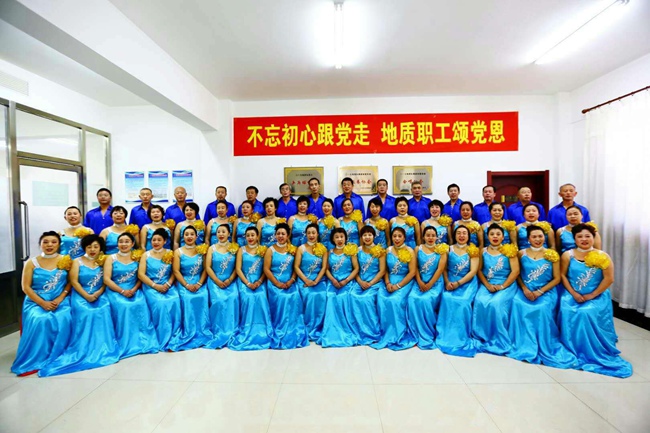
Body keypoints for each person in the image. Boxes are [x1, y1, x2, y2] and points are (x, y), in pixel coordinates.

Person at [39, 235, 120, 376]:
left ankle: (103, 346)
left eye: (95, 246)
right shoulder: (77, 261)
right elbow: (74, 282)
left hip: (100, 294)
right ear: (84, 248)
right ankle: (82, 347)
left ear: (100, 248)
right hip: (80, 295)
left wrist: (98, 293)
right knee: (86, 312)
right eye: (89, 247)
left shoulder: (105, 260)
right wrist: (86, 295)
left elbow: (106, 280)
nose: (92, 249)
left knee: (103, 309)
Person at [558, 224, 632, 378]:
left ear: (593, 238)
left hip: (596, 295)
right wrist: (573, 293)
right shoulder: (567, 255)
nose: (584, 239)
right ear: (574, 239)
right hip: (572, 294)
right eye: (580, 236)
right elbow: (563, 275)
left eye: (587, 236)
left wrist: (592, 295)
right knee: (566, 309)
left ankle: (590, 348)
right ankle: (571, 346)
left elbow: (609, 279)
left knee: (586, 312)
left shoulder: (602, 256)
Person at [507, 226, 577, 368]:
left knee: (542, 308)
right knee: (517, 303)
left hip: (546, 291)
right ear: (528, 239)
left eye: (540, 236)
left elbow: (557, 278)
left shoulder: (552, 254)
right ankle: (521, 341)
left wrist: (540, 291)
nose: (538, 239)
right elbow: (518, 275)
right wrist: (525, 289)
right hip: (526, 290)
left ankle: (543, 341)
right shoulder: (521, 253)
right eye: (534, 236)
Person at [11, 232, 72, 376]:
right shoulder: (31, 263)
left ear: (59, 244)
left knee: (65, 317)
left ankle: (59, 354)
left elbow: (70, 282)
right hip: (35, 301)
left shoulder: (66, 260)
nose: (49, 245)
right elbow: (26, 287)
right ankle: (38, 356)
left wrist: (60, 298)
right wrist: (42, 303)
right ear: (40, 244)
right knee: (41, 319)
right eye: (45, 242)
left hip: (60, 300)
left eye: (53, 242)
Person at [103, 233, 158, 359]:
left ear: (132, 243)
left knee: (140, 304)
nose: (124, 244)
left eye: (127, 241)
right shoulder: (111, 258)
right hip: (116, 291)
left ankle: (142, 340)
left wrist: (133, 289)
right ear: (117, 243)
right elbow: (106, 279)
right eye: (121, 241)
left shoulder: (137, 257)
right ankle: (125, 342)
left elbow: (141, 276)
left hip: (134, 290)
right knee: (124, 306)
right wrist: (122, 291)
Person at [471, 224, 520, 355]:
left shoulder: (509, 250)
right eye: (492, 234)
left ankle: (498, 336)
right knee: (479, 301)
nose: (495, 237)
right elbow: (479, 270)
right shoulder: (483, 251)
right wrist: (487, 285)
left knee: (496, 304)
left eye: (498, 234)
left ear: (503, 237)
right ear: (487, 236)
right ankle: (482, 335)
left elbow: (515, 271)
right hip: (488, 284)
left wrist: (502, 286)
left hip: (506, 284)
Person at [436, 226, 479, 357]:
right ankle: (446, 333)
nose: (461, 235)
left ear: (468, 236)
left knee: (463, 301)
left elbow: (473, 271)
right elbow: (443, 268)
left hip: (467, 282)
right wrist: (447, 281)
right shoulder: (448, 249)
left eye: (464, 233)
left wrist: (459, 283)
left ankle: (462, 334)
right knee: (447, 298)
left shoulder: (473, 250)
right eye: (459, 233)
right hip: (450, 280)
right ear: (454, 235)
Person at [263, 223, 308, 349]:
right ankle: (279, 326)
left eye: (283, 234)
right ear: (275, 235)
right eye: (278, 234)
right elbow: (266, 269)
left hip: (290, 282)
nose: (280, 236)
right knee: (281, 298)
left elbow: (295, 268)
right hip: (274, 282)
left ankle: (293, 328)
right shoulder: (270, 250)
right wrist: (277, 283)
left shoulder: (293, 249)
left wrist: (292, 280)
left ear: (288, 235)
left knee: (294, 296)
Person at [371, 227, 417, 350]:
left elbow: (412, 272)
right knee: (381, 298)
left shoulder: (410, 251)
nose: (396, 239)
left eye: (399, 236)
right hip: (389, 281)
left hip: (404, 281)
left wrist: (398, 286)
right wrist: (387, 283)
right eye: (394, 236)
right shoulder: (388, 250)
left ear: (404, 238)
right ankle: (384, 331)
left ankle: (397, 331)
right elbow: (385, 269)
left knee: (395, 300)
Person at [229, 227, 274, 350]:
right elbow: (238, 269)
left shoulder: (263, 250)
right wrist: (248, 283)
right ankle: (247, 327)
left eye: (252, 235)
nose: (250, 237)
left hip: (259, 281)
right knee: (248, 297)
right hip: (244, 281)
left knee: (261, 297)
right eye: (248, 235)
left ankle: (263, 329)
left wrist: (259, 281)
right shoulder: (241, 250)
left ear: (257, 236)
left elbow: (266, 269)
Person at [138, 228, 182, 352]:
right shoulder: (146, 255)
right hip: (151, 286)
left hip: (168, 285)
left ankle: (174, 335)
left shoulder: (170, 253)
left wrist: (168, 283)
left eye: (159, 240)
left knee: (175, 300)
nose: (156, 242)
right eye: (154, 240)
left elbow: (175, 271)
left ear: (165, 241)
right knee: (160, 304)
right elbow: (141, 274)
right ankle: (162, 336)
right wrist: (155, 286)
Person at [172, 226, 213, 350]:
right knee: (187, 298)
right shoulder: (178, 252)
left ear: (196, 236)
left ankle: (203, 329)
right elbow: (176, 271)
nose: (189, 237)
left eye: (192, 234)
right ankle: (189, 330)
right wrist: (186, 285)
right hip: (184, 282)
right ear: (183, 237)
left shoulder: (202, 250)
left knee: (203, 295)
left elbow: (206, 269)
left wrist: (199, 283)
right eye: (186, 234)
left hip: (199, 281)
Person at [407, 226, 448, 350]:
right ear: (423, 237)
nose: (430, 238)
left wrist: (430, 284)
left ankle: (427, 331)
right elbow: (415, 267)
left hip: (435, 283)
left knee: (425, 301)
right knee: (412, 299)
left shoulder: (441, 250)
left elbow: (440, 269)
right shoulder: (417, 249)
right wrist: (420, 281)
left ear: (437, 237)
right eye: (428, 235)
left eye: (433, 235)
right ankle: (414, 332)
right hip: (419, 281)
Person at [319, 228, 360, 347]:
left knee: (344, 297)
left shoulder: (350, 251)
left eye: (342, 237)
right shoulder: (329, 252)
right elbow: (326, 269)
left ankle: (345, 327)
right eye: (337, 237)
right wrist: (332, 279)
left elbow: (356, 268)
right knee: (330, 297)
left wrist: (346, 280)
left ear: (345, 238)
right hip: (333, 282)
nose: (340, 239)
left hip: (347, 282)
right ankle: (332, 330)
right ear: (333, 239)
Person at [205, 224, 240, 348]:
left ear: (229, 234)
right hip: (215, 281)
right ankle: (218, 329)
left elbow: (237, 267)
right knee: (218, 300)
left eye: (223, 231)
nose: (221, 234)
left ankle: (232, 329)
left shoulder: (234, 248)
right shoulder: (212, 248)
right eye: (218, 232)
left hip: (231, 281)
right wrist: (217, 281)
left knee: (233, 297)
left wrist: (230, 280)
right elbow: (208, 267)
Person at [294, 223, 328, 341]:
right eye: (309, 233)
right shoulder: (301, 248)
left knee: (322, 295)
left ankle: (319, 326)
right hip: (304, 279)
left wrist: (316, 281)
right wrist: (307, 280)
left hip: (319, 280)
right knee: (308, 295)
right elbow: (296, 267)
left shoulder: (323, 248)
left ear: (317, 234)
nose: (311, 235)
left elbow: (324, 267)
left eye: (313, 233)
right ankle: (307, 325)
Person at [352, 226, 384, 345]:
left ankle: (371, 330)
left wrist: (370, 283)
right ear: (361, 237)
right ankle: (357, 329)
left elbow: (382, 271)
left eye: (369, 235)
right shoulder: (357, 250)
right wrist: (360, 281)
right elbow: (355, 269)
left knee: (366, 299)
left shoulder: (380, 251)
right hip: (360, 281)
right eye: (364, 235)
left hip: (375, 282)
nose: (367, 237)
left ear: (374, 236)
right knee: (352, 296)